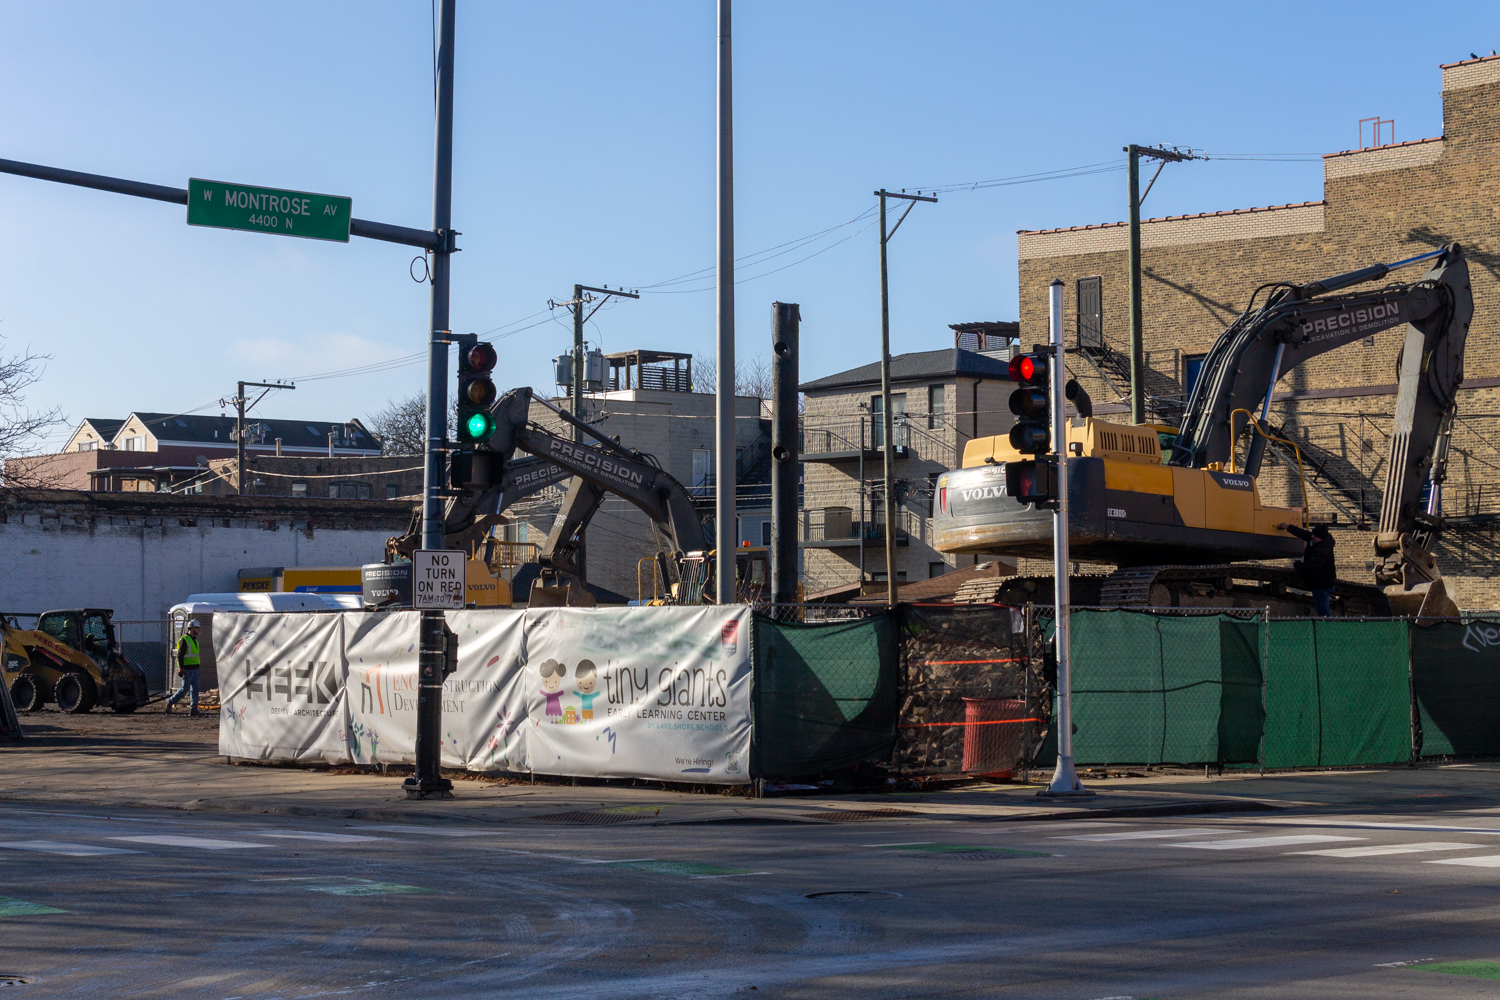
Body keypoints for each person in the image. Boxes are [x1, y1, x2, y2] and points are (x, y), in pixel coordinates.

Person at [1276, 522, 1337, 617]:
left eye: (1315, 536)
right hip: (1325, 582)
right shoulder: (1320, 540)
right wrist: (1288, 527)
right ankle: (1325, 625)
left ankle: (1326, 627)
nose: (1312, 537)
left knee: (1322, 609)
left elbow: (1310, 566)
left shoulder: (1322, 551)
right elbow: (1303, 534)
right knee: (1322, 607)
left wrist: (1298, 565)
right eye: (1313, 534)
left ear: (1321, 538)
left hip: (1322, 584)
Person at [166, 620, 202, 716]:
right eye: (197, 628)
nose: (198, 630)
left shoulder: (195, 641)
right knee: (185, 689)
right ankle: (170, 701)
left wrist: (198, 669)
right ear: (192, 628)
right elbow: (180, 655)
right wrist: (181, 668)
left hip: (194, 669)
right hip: (187, 669)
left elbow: (196, 656)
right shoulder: (185, 640)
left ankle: (193, 709)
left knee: (195, 689)